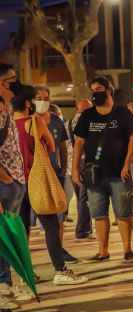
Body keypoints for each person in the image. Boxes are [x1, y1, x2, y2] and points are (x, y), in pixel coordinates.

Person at [13, 85, 87, 285]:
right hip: (36, 180)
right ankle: (60, 270)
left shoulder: (9, 123)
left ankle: (24, 273)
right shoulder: (35, 122)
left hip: (16, 183)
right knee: (51, 225)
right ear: (28, 103)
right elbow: (52, 146)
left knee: (23, 228)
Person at [73, 76, 133, 263]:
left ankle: (128, 250)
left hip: (120, 173)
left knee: (124, 213)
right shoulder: (87, 115)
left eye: (99, 89)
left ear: (109, 90)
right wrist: (74, 168)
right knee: (99, 214)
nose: (95, 93)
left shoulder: (123, 113)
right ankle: (103, 251)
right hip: (94, 174)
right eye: (92, 89)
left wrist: (127, 164)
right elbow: (79, 142)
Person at [33, 85, 78, 263]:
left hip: (54, 174)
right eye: (39, 98)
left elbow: (62, 147)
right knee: (28, 222)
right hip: (33, 176)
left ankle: (59, 254)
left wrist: (64, 168)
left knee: (58, 217)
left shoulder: (57, 121)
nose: (43, 101)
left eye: (46, 98)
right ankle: (26, 262)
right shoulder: (29, 121)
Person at [0, 95, 34, 306]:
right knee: (3, 236)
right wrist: (5, 178)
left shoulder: (6, 116)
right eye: (7, 83)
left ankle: (5, 283)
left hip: (15, 182)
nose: (10, 88)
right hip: (6, 183)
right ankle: (3, 285)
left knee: (9, 235)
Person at [67, 99, 95, 242]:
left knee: (80, 199)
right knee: (85, 199)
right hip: (85, 163)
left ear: (78, 108)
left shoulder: (68, 123)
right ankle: (83, 231)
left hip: (72, 165)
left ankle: (85, 228)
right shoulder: (88, 122)